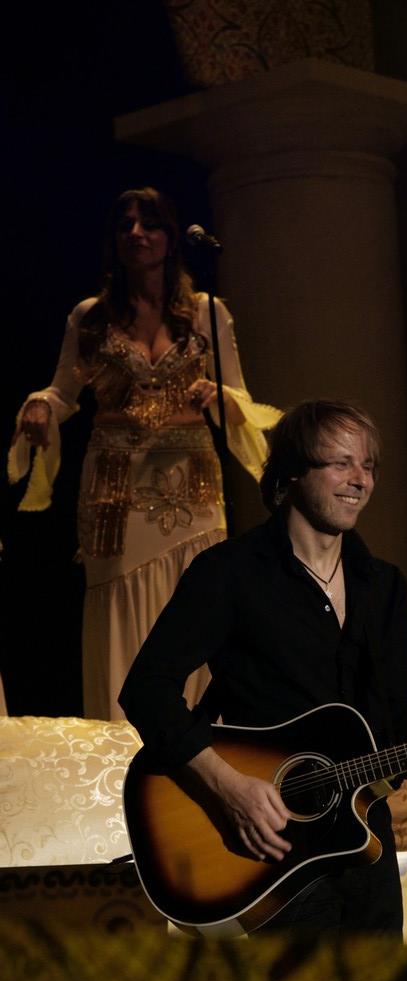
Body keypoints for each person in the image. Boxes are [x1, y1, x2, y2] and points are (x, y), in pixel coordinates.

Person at [119, 399, 407, 934]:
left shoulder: (383, 585)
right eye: (341, 463)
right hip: (267, 844)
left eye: (369, 466)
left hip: (363, 840)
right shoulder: (229, 573)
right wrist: (228, 788)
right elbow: (147, 689)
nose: (360, 480)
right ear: (291, 474)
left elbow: (400, 707)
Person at [8, 187, 280, 720]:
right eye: (125, 225)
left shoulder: (206, 313)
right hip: (115, 486)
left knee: (198, 600)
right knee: (120, 606)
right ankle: (124, 745)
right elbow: (64, 392)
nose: (136, 233)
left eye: (149, 223)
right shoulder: (90, 317)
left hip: (192, 483)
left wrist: (217, 395)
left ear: (171, 237)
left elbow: (240, 397)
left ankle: (199, 739)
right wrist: (38, 406)